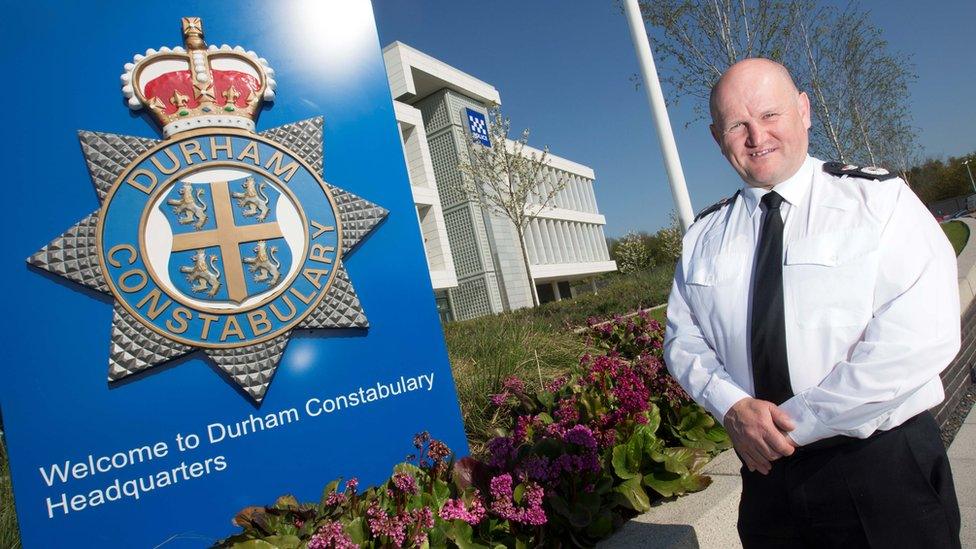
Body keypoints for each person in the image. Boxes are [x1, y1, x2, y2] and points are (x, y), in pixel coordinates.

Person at [664, 58, 962, 548]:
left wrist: (794, 423)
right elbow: (683, 339)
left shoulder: (878, 202)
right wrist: (731, 406)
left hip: (878, 468)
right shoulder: (702, 237)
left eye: (770, 115)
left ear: (803, 111)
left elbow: (919, 334)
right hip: (767, 481)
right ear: (718, 137)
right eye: (737, 124)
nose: (756, 135)